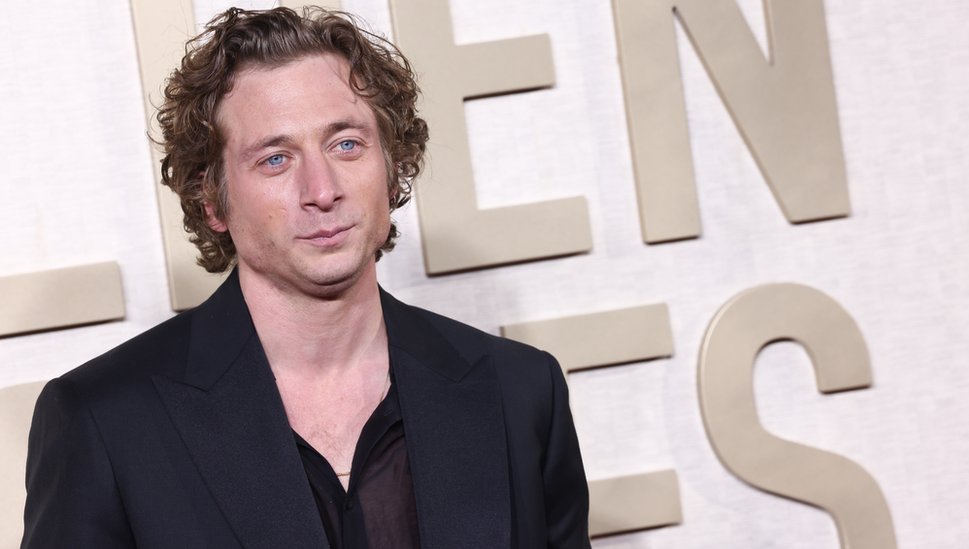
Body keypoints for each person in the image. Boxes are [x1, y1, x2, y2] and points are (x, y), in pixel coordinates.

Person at [22, 7, 589, 548]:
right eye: (275, 158)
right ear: (212, 200)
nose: (322, 190)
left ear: (392, 168)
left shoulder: (519, 391)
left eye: (347, 145)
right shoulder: (104, 420)